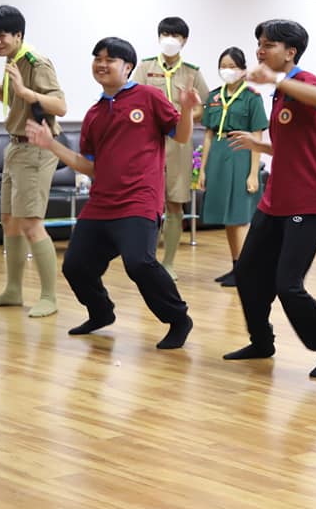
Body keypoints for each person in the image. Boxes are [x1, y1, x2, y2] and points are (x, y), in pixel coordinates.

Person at [24, 37, 197, 349]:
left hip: (139, 200)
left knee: (139, 263)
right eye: (97, 59)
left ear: (128, 67)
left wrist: (185, 109)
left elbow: (182, 136)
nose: (102, 64)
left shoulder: (149, 97)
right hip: (101, 203)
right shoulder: (94, 114)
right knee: (75, 266)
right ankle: (101, 312)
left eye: (110, 59)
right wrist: (50, 144)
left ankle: (178, 318)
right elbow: (88, 166)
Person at [222, 19, 316, 378]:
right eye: (259, 44)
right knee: (247, 273)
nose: (260, 51)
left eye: (268, 45)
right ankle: (261, 342)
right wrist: (258, 144)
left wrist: (276, 79)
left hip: (306, 202)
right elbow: (290, 147)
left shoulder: (303, 82)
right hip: (275, 199)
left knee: (288, 285)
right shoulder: (279, 92)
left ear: (290, 52)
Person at [0, 5, 66, 318]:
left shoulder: (36, 62)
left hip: (36, 148)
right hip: (16, 146)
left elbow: (60, 105)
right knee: (9, 220)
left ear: (18, 34)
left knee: (31, 223)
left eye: (2, 35)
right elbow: (11, 99)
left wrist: (27, 91)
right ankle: (13, 289)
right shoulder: (13, 60)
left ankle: (49, 296)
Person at [132, 16, 210, 280]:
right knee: (147, 202)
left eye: (175, 35)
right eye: (165, 34)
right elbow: (133, 101)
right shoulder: (145, 67)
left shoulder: (192, 72)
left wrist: (184, 115)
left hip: (179, 143)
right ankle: (147, 259)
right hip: (148, 142)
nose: (169, 39)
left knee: (175, 201)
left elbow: (204, 108)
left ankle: (168, 263)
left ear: (184, 41)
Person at [198, 46, 268, 287]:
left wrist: (253, 173)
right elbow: (208, 135)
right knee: (227, 217)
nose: (227, 70)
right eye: (223, 66)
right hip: (218, 156)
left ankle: (246, 270)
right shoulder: (214, 97)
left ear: (243, 69)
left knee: (239, 216)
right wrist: (202, 169)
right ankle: (236, 266)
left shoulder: (252, 97)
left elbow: (257, 135)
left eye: (232, 66)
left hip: (241, 154)